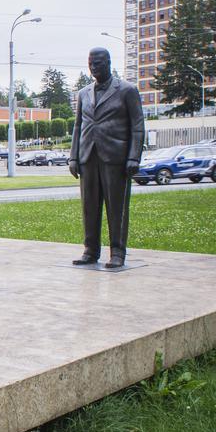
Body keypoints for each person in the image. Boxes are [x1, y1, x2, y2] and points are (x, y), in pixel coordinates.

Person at [69, 48, 145, 269]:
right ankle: (90, 250)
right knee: (89, 207)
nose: (94, 68)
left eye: (98, 63)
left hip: (116, 157)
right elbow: (78, 126)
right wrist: (73, 157)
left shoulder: (127, 90)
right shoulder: (83, 93)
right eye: (91, 63)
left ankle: (118, 252)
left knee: (117, 207)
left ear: (109, 63)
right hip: (88, 156)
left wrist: (133, 157)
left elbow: (138, 126)